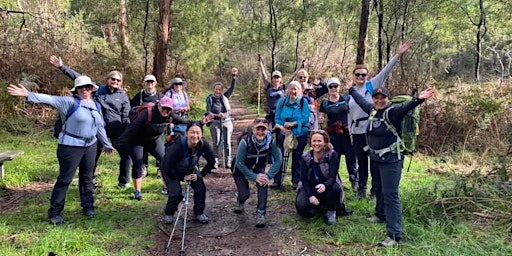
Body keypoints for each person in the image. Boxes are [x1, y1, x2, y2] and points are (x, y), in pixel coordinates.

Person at [7, 76, 114, 225]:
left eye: (88, 87)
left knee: (88, 178)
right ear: (76, 90)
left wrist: (106, 144)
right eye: (81, 88)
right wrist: (28, 94)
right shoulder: (69, 102)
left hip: (91, 146)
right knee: (65, 179)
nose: (85, 90)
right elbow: (50, 99)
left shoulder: (95, 105)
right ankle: (55, 212)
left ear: (92, 89)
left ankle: (88, 206)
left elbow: (99, 126)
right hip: (70, 146)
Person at [349, 85, 436, 246]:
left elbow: (405, 108)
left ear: (388, 100)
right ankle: (380, 214)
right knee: (378, 187)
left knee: (391, 194)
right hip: (376, 157)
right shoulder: (373, 110)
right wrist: (351, 90)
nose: (379, 100)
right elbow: (361, 101)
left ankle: (394, 235)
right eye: (376, 98)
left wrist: (418, 100)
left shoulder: (392, 113)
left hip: (391, 160)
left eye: (383, 98)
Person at [49, 55, 132, 188]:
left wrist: (127, 131)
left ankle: (124, 181)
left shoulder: (123, 96)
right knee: (93, 156)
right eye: (113, 79)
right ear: (107, 79)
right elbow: (78, 78)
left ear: (121, 82)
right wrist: (62, 67)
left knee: (126, 154)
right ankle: (89, 181)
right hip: (98, 128)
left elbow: (126, 115)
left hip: (117, 129)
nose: (115, 81)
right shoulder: (97, 90)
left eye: (118, 80)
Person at [346, 40, 413, 198]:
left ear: (367, 76)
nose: (361, 77)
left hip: (371, 130)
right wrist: (350, 131)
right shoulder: (349, 93)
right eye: (358, 75)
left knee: (374, 162)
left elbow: (386, 70)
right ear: (353, 76)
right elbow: (349, 113)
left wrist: (398, 55)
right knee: (361, 161)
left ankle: (375, 191)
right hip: (356, 131)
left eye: (363, 74)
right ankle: (361, 189)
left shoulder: (371, 85)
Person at [115, 96, 211, 200]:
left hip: (153, 140)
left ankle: (167, 187)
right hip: (136, 140)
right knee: (138, 162)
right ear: (159, 106)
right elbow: (131, 129)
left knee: (165, 160)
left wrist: (201, 122)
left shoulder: (170, 116)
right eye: (163, 108)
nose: (165, 111)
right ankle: (137, 192)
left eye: (168, 109)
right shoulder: (147, 114)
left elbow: (186, 122)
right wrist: (117, 143)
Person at [161, 123, 215, 224]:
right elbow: (168, 168)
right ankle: (169, 213)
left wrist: (200, 175)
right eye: (192, 133)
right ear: (186, 134)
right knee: (176, 194)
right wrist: (183, 177)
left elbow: (211, 161)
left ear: (202, 134)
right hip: (170, 170)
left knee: (200, 188)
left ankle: (199, 213)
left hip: (189, 168)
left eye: (198, 133)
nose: (195, 136)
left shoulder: (203, 144)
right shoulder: (178, 147)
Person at [232, 118, 282, 228]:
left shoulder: (271, 142)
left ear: (268, 130)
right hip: (240, 169)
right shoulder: (245, 142)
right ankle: (240, 200)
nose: (260, 132)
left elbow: (278, 160)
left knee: (263, 183)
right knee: (245, 194)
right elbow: (239, 163)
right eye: (258, 129)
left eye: (263, 129)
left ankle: (261, 213)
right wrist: (254, 177)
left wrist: (268, 176)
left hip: (259, 167)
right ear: (253, 130)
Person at [295, 130, 345, 225]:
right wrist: (310, 195)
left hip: (328, 186)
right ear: (310, 142)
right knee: (302, 207)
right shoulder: (305, 157)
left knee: (334, 189)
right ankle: (319, 207)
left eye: (319, 141)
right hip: (311, 186)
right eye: (314, 141)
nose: (316, 144)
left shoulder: (332, 155)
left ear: (325, 142)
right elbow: (304, 180)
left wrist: (325, 185)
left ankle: (331, 212)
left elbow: (332, 177)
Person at [318, 77, 358, 194]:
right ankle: (334, 181)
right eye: (331, 87)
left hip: (346, 133)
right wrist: (320, 118)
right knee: (334, 158)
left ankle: (354, 182)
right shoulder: (325, 103)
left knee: (351, 158)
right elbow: (321, 117)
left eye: (336, 86)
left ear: (339, 87)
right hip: (333, 135)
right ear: (328, 89)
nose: (334, 89)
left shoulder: (346, 99)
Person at [273, 81, 310, 189]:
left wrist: (293, 124)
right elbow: (277, 118)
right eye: (291, 89)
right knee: (280, 157)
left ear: (299, 91)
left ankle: (296, 181)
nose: (293, 91)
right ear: (288, 90)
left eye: (296, 89)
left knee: (297, 158)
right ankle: (277, 181)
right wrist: (283, 127)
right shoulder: (282, 102)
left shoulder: (303, 102)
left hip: (300, 133)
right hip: (283, 133)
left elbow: (305, 118)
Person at [130, 74, 164, 178]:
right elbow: (131, 109)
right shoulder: (139, 96)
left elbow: (167, 110)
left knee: (159, 150)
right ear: (144, 83)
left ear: (155, 83)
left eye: (152, 82)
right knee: (143, 148)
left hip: (157, 128)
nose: (150, 84)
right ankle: (143, 167)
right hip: (142, 128)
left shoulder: (160, 96)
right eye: (148, 82)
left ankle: (160, 168)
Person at [206, 67, 238, 169]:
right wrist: (217, 115)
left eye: (220, 89)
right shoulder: (210, 98)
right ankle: (215, 160)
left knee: (227, 142)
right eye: (216, 89)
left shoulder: (224, 97)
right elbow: (208, 111)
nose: (218, 91)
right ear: (213, 89)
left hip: (226, 122)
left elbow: (232, 88)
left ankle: (228, 161)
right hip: (215, 123)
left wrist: (234, 77)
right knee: (216, 142)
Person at [256, 55, 295, 128]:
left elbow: (292, 77)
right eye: (274, 77)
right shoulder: (268, 86)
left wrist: (301, 67)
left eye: (278, 77)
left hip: (281, 114)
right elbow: (264, 75)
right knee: (269, 131)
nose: (276, 79)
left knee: (280, 133)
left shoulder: (283, 87)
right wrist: (260, 62)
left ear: (280, 79)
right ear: (272, 79)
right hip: (270, 115)